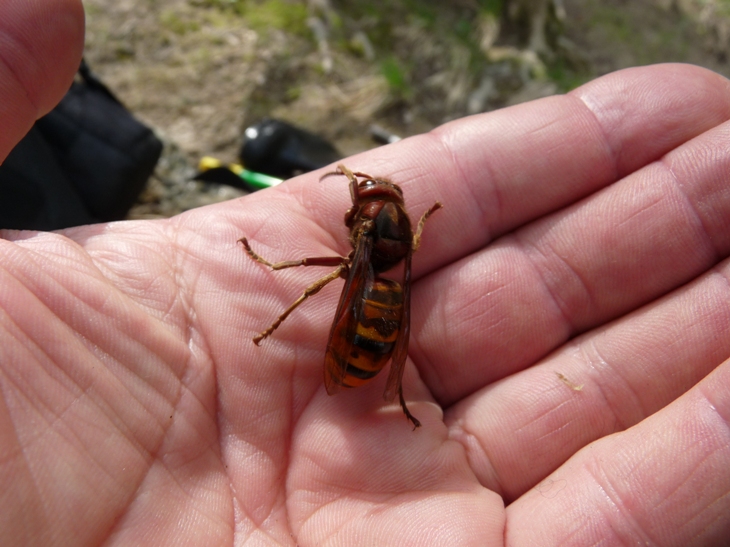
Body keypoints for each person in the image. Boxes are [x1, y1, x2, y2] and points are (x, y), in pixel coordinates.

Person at [2, 1, 729, 545]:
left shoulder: (365, 251)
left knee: (334, 286)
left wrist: (280, 305)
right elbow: (394, 251)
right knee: (375, 300)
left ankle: (352, 361)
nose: (362, 195)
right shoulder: (392, 249)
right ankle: (385, 384)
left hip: (361, 341)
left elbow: (336, 275)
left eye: (367, 196)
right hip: (371, 344)